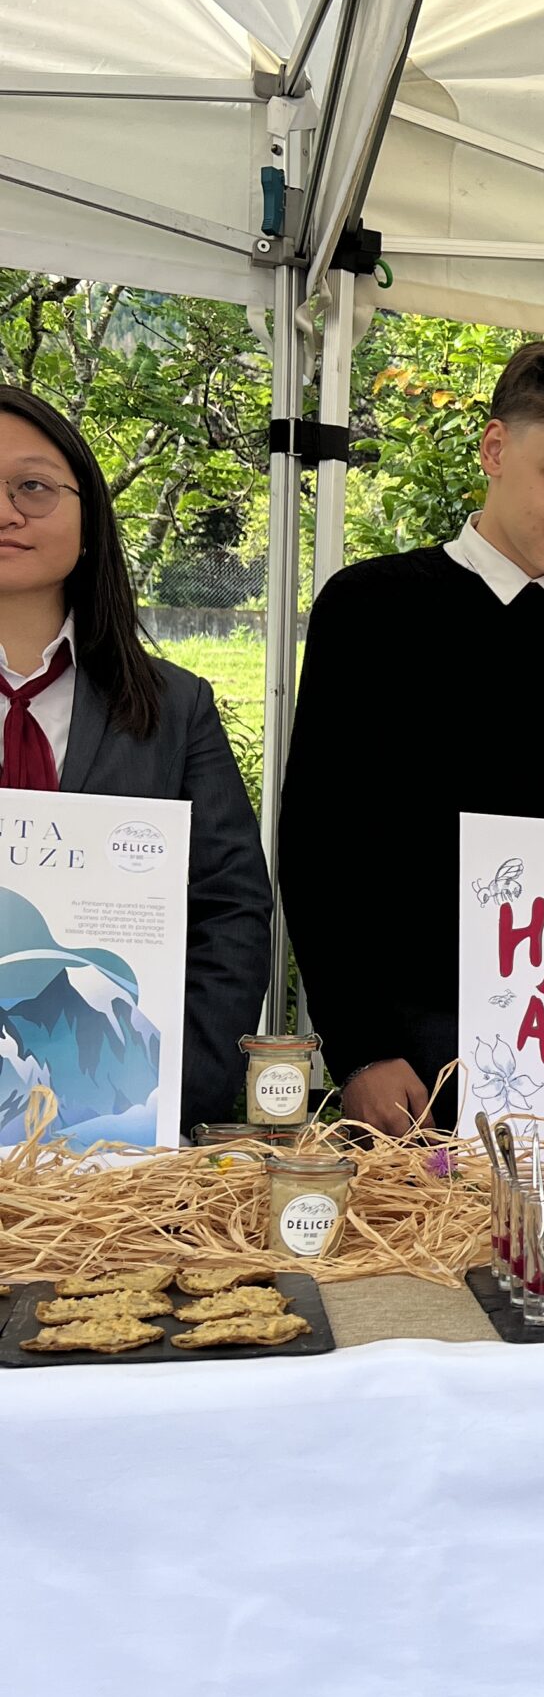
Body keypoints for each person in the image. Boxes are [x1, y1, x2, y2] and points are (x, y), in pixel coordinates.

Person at [279, 342, 544, 1132]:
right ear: (495, 448)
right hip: (419, 1049)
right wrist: (362, 1049)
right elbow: (319, 841)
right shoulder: (374, 608)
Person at [0, 384, 271, 1135]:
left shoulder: (174, 709)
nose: (5, 512)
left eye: (32, 487)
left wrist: (175, 1090)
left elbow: (230, 910)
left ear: (89, 515)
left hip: (117, 1125)